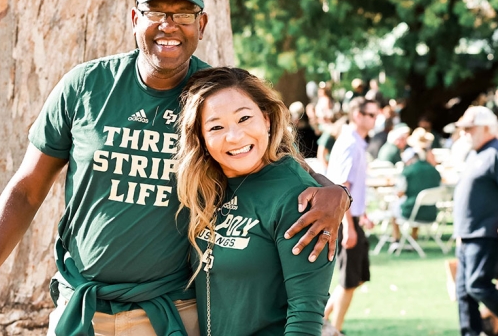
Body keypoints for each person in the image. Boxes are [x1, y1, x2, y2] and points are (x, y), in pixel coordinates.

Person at [0, 0, 350, 336]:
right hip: (80, 305)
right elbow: (27, 188)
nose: (169, 25)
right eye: (157, 11)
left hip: (169, 311)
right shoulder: (86, 86)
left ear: (202, 24)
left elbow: (272, 154)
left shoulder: (213, 97)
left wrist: (335, 192)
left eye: (184, 14)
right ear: (134, 19)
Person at [176, 67, 335, 335]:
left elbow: (305, 317)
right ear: (201, 138)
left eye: (244, 118)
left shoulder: (300, 198)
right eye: (216, 126)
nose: (234, 136)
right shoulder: (208, 188)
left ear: (267, 119)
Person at [453, 106, 498, 336]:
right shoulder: (475, 153)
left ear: (487, 128)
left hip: (487, 232)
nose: (465, 133)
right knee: (463, 292)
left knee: (477, 285)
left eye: (470, 129)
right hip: (468, 233)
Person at [324, 97, 379, 332]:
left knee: (354, 278)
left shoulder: (355, 142)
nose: (374, 120)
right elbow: (342, 186)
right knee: (348, 280)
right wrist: (349, 226)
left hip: (351, 216)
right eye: (370, 115)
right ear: (357, 115)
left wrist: (361, 214)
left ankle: (324, 323)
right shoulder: (350, 142)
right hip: (345, 218)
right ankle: (333, 328)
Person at [388, 147, 441, 251]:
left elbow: (400, 192)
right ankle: (413, 238)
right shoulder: (434, 170)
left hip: (411, 212)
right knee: (417, 205)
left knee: (394, 209)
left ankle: (396, 240)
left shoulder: (408, 171)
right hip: (431, 212)